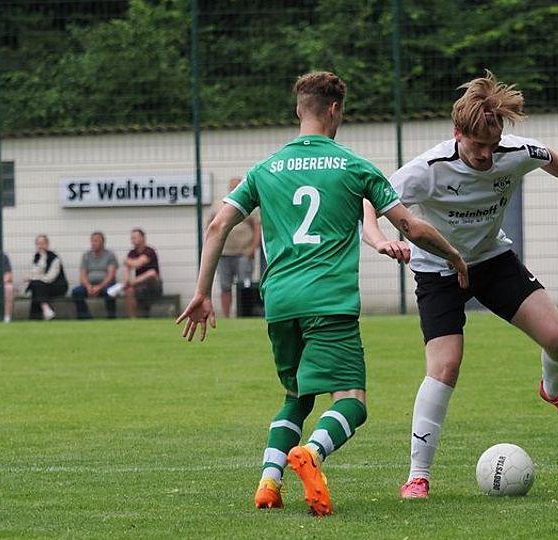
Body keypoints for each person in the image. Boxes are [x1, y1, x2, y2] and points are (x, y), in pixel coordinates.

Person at [175, 71, 468, 517]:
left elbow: (218, 226)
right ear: (335, 109)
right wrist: (453, 255)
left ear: (299, 109)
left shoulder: (265, 169)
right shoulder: (354, 167)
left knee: (296, 395)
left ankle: (269, 482)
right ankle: (311, 453)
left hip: (279, 302)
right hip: (329, 300)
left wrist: (202, 292)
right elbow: (409, 225)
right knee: (351, 401)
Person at [362, 70, 558, 500]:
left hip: (491, 259)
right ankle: (417, 476)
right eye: (477, 145)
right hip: (438, 270)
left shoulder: (512, 151)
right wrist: (378, 239)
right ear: (457, 134)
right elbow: (373, 199)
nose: (486, 154)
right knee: (445, 366)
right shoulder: (428, 169)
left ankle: (554, 392)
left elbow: (548, 157)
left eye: (493, 144)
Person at [208, 177, 261, 317]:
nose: (234, 190)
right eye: (232, 187)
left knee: (244, 286)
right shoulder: (218, 206)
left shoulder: (251, 206)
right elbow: (211, 227)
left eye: (237, 187)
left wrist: (252, 249)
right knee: (225, 286)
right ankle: (226, 316)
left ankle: (245, 315)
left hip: (243, 253)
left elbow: (257, 228)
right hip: (223, 254)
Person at [71, 231, 119, 319]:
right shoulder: (86, 255)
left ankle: (111, 318)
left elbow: (111, 275)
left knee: (110, 292)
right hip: (90, 285)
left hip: (105, 284)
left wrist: (99, 287)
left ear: (103, 242)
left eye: (96, 241)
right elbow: (83, 274)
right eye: (92, 241)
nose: (93, 243)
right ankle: (85, 318)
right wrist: (88, 286)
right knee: (76, 292)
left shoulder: (110, 255)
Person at [24, 234, 69, 320]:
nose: (40, 246)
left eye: (43, 243)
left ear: (47, 244)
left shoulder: (54, 258)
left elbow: (50, 278)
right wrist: (35, 276)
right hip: (41, 287)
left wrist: (35, 277)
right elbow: (31, 273)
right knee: (36, 286)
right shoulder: (36, 258)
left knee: (36, 286)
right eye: (38, 243)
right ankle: (46, 309)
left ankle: (35, 317)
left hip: (57, 286)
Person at [122, 228, 162, 318]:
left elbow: (138, 263)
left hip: (153, 284)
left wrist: (128, 262)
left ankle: (131, 283)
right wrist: (126, 280)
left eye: (135, 237)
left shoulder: (150, 251)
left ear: (142, 238)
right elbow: (126, 267)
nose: (132, 240)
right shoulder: (132, 253)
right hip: (139, 284)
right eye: (132, 238)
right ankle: (133, 319)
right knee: (129, 290)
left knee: (151, 272)